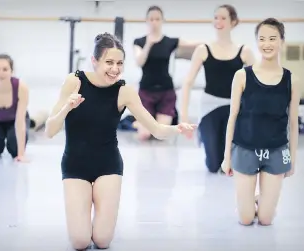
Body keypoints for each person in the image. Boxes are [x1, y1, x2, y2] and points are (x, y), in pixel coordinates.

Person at [44, 32, 196, 250]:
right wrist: (68, 107)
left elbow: (156, 129)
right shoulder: (74, 82)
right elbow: (50, 130)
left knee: (103, 240)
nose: (115, 69)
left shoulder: (124, 91)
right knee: (80, 241)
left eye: (119, 63)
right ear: (94, 60)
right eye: (109, 62)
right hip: (75, 165)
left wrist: (177, 128)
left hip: (108, 165)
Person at [222, 18, 299, 226]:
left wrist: (292, 158)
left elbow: (293, 124)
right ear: (256, 42)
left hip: (276, 151)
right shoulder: (242, 76)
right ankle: (246, 202)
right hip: (245, 149)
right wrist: (226, 157)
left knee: (265, 219)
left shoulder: (292, 80)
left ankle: (260, 200)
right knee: (246, 219)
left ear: (281, 41)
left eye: (273, 38)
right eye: (262, 39)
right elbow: (232, 117)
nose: (267, 44)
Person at [180, 4, 255, 173]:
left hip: (236, 108)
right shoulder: (203, 50)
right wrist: (184, 116)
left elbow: (258, 83)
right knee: (214, 165)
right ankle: (208, 140)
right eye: (216, 17)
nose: (218, 21)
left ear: (233, 22)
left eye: (223, 18)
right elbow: (188, 82)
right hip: (210, 107)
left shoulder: (244, 51)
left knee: (232, 164)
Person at [133, 5, 201, 140]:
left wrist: (212, 44)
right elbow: (139, 61)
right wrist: (148, 44)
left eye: (157, 19)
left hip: (166, 91)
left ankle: (144, 121)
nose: (154, 22)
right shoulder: (139, 42)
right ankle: (137, 123)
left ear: (162, 21)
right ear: (147, 21)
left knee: (161, 135)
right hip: (146, 90)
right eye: (151, 19)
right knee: (144, 135)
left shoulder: (170, 41)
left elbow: (192, 44)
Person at [0, 54, 30, 162]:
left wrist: (21, 154)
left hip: (15, 119)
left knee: (15, 149)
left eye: (5, 69)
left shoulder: (21, 88)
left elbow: (19, 121)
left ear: (11, 71)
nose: (1, 73)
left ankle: (14, 145)